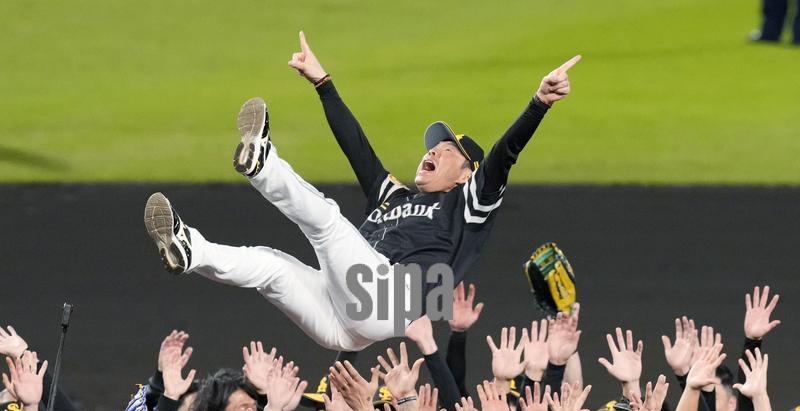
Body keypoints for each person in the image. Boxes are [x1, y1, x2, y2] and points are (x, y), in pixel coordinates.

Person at [143, 34, 580, 352]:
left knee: (328, 223)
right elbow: (359, 150)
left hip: (389, 300)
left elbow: (504, 156)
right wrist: (323, 85)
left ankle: (263, 163)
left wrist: (538, 104)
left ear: (467, 174)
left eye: (446, 151)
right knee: (269, 267)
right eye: (432, 147)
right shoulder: (395, 198)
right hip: (346, 327)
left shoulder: (467, 206)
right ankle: (190, 249)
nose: (433, 152)